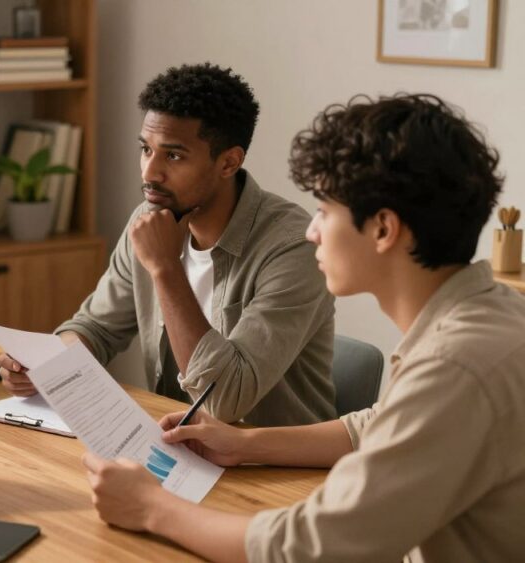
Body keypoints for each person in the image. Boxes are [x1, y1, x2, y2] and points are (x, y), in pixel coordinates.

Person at [82, 93, 525, 561]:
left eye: (325, 211)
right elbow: (379, 424)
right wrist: (243, 443)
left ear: (383, 229)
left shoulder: (454, 365)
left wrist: (152, 507)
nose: (312, 231)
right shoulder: (487, 314)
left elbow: (317, 547)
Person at [0, 63, 336, 426]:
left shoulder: (293, 246)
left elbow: (225, 401)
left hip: (275, 469)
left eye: (173, 156)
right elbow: (97, 327)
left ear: (229, 162)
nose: (149, 173)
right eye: (146, 149)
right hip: (178, 446)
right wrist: (48, 365)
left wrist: (165, 267)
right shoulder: (150, 219)